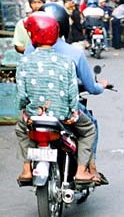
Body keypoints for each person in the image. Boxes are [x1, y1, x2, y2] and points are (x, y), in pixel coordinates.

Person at [14, 13, 96, 187]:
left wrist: (25, 112)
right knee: (88, 129)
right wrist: (73, 112)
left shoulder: (24, 61)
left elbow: (21, 95)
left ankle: (27, 169)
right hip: (62, 115)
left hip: (35, 116)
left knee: (21, 130)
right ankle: (81, 171)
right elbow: (72, 92)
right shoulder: (66, 61)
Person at [38, 1, 112, 184]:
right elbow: (91, 87)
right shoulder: (73, 53)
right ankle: (88, 169)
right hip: (65, 109)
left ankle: (26, 168)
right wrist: (101, 86)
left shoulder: (30, 51)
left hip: (37, 110)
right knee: (90, 127)